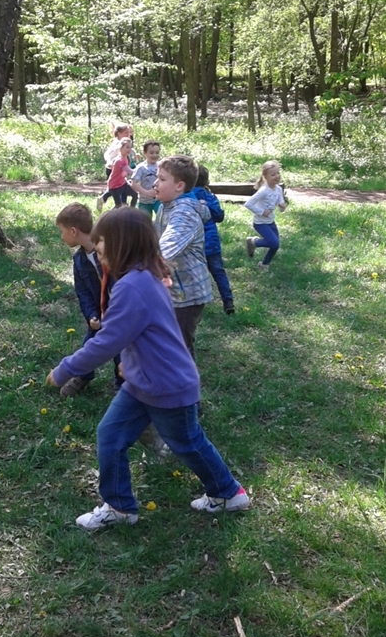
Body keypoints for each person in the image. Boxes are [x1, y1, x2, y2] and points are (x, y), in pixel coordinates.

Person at [46, 208, 250, 530]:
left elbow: (106, 341)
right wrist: (131, 363)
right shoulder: (142, 277)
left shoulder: (133, 286)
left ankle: (227, 493)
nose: (98, 257)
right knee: (110, 434)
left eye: (101, 250)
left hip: (166, 385)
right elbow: (141, 334)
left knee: (188, 443)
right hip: (143, 382)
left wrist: (64, 370)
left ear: (121, 246)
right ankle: (119, 507)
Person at [55, 202, 119, 396]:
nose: (61, 236)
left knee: (121, 350)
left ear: (73, 231)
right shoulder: (79, 260)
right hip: (98, 316)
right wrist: (91, 315)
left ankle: (122, 384)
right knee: (89, 346)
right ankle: (83, 374)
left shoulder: (110, 252)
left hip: (118, 314)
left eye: (62, 231)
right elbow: (82, 292)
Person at [153, 154, 212, 358]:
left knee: (179, 349)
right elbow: (152, 238)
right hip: (174, 289)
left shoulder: (184, 213)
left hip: (188, 293)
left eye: (161, 179)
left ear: (179, 186)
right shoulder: (165, 206)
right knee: (169, 342)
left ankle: (184, 386)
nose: (155, 183)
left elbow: (166, 247)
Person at [192, 165, 234, 314]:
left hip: (194, 244)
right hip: (211, 242)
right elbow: (219, 216)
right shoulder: (209, 196)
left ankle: (196, 303)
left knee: (195, 274)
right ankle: (228, 300)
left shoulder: (186, 196)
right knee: (218, 272)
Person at [244, 159, 287, 268]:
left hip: (270, 221)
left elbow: (281, 207)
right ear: (265, 177)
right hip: (260, 223)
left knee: (275, 245)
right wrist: (261, 212)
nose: (276, 176)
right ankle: (253, 242)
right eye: (273, 175)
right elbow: (248, 203)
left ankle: (264, 265)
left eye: (278, 173)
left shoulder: (278, 189)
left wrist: (282, 206)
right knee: (274, 243)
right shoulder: (263, 190)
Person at [97, 122, 131, 212]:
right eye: (126, 133)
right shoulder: (116, 143)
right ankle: (117, 208)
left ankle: (109, 202)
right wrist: (109, 161)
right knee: (116, 188)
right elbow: (107, 154)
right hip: (112, 170)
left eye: (129, 133)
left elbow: (128, 153)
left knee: (118, 188)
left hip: (120, 170)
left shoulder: (124, 142)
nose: (128, 135)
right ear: (119, 134)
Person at [131, 140, 161, 216]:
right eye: (151, 153)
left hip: (159, 200)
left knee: (163, 219)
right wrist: (146, 192)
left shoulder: (161, 166)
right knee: (145, 223)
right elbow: (134, 184)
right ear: (144, 153)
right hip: (144, 202)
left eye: (157, 153)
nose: (154, 155)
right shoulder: (141, 167)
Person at [106, 137, 134, 207]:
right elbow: (130, 171)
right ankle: (109, 216)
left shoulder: (124, 157)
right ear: (121, 148)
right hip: (115, 185)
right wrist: (140, 170)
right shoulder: (120, 160)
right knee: (118, 206)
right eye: (127, 147)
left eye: (130, 147)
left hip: (122, 183)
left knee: (135, 195)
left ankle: (131, 212)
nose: (129, 149)